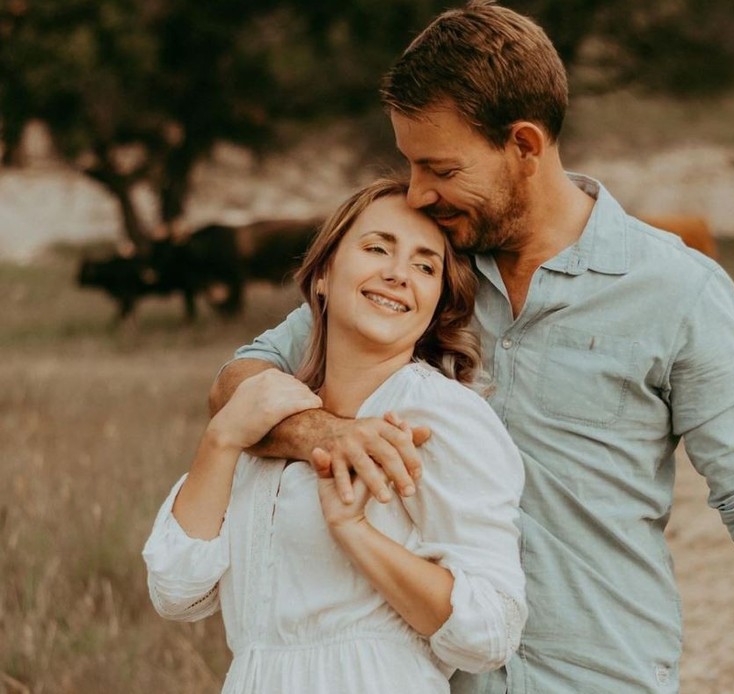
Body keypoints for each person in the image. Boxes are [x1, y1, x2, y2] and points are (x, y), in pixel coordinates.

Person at [210, 2, 734, 692]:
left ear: (525, 147)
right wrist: (323, 433)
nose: (418, 194)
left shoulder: (678, 290)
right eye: (409, 166)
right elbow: (238, 383)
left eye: (440, 169)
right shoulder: (416, 274)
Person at [143, 177, 528, 693]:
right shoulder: (274, 416)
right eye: (377, 248)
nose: (397, 275)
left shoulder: (442, 416)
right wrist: (222, 438)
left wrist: (356, 533)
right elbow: (176, 592)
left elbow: (491, 630)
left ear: (437, 301)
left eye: (424, 266)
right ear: (323, 273)